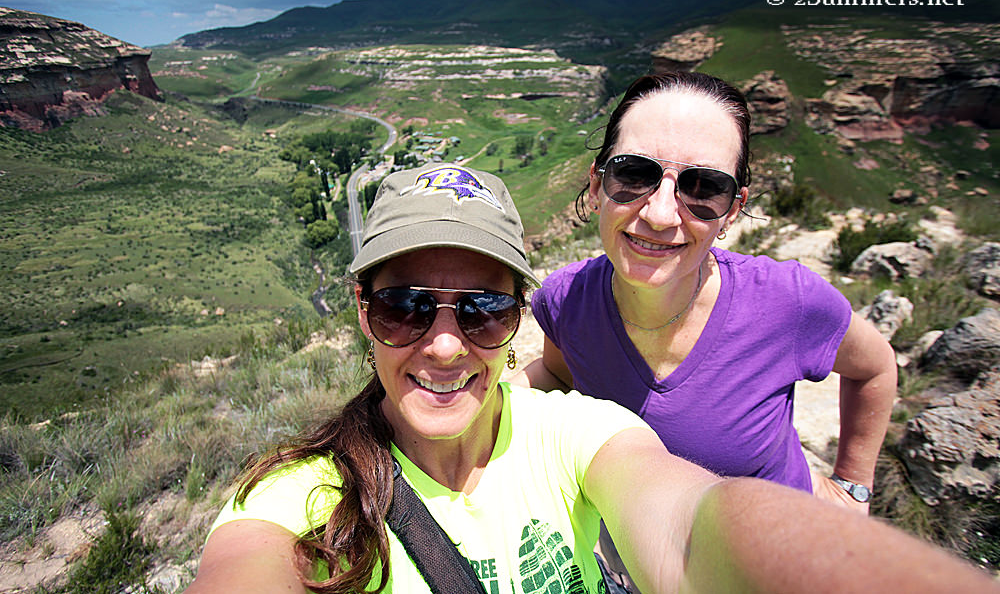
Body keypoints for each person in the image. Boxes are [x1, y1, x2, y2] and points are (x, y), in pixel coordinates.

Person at [185, 164, 993, 594]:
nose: (440, 345)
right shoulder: (298, 496)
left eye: (480, 312)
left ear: (516, 320)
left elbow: (689, 525)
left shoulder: (570, 431)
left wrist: (851, 522)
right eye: (403, 307)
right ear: (362, 312)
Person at [517, 72, 899, 590]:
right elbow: (561, 376)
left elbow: (875, 368)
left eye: (703, 187)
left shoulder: (787, 303)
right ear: (596, 183)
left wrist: (853, 488)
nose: (658, 213)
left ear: (731, 211)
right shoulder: (566, 301)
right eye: (633, 174)